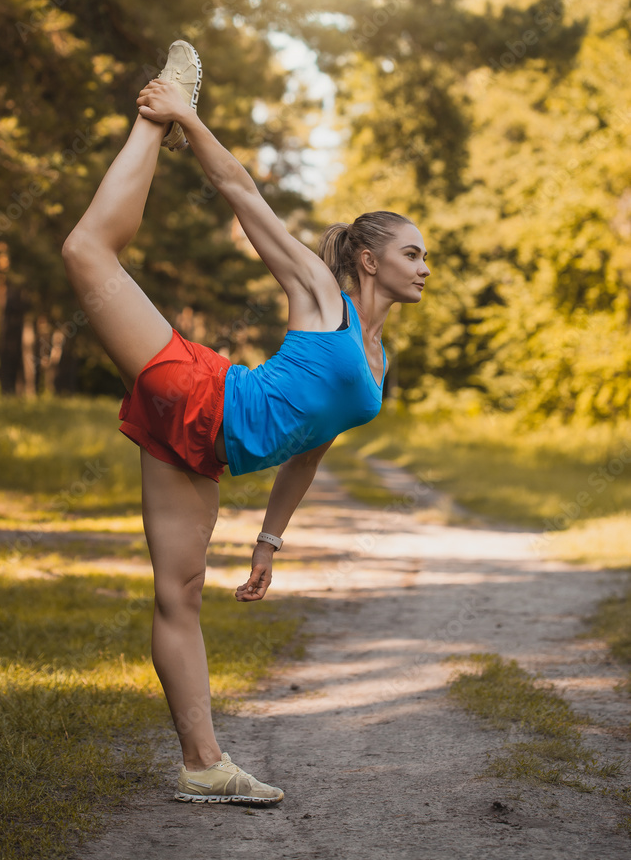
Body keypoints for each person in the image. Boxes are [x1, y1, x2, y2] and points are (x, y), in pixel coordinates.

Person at [61, 40, 430, 807]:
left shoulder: (378, 362)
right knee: (88, 250)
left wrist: (268, 543)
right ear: (368, 260)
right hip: (202, 397)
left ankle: (202, 767)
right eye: (413, 253)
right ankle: (157, 115)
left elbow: (307, 452)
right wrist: (187, 117)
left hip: (205, 451)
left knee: (180, 593)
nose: (426, 266)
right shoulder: (320, 300)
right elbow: (240, 191)